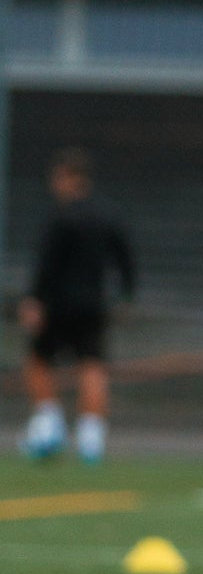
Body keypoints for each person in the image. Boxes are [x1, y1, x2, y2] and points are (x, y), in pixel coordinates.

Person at [18, 149, 134, 464]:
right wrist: (125, 296)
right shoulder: (109, 215)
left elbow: (47, 265)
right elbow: (125, 260)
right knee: (92, 366)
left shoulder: (60, 216)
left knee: (38, 361)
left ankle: (49, 425)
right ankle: (91, 439)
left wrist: (35, 300)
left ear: (70, 177)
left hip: (58, 305)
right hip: (93, 306)